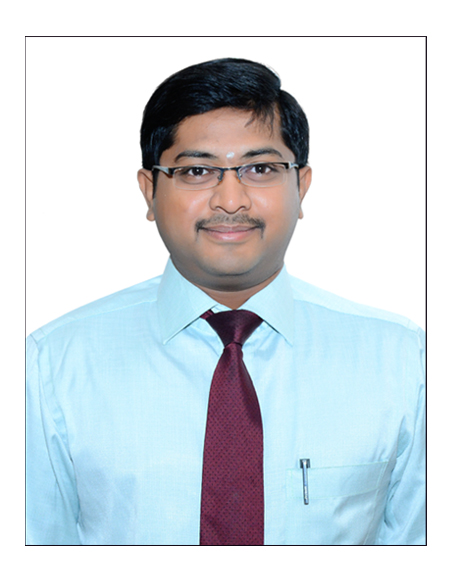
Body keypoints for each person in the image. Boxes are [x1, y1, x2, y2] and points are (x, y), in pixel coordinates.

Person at [26, 58, 425, 545]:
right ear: (150, 192)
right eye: (197, 170)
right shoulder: (53, 366)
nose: (231, 200)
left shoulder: (403, 362)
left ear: (301, 186)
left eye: (260, 168)